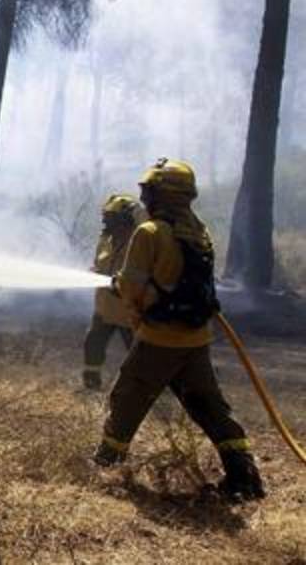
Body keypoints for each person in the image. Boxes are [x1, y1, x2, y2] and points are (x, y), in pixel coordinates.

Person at [93, 158, 265, 501]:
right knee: (211, 408)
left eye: (149, 191)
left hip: (159, 339)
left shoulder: (150, 232)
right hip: (195, 339)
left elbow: (132, 288)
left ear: (161, 195)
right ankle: (245, 478)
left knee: (127, 398)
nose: (145, 198)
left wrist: (119, 285)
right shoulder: (199, 231)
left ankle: (105, 465)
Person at [82, 194, 140, 391]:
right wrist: (93, 272)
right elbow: (99, 264)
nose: (106, 222)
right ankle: (91, 383)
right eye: (106, 217)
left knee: (138, 354)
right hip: (105, 306)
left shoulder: (140, 241)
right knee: (92, 344)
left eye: (111, 218)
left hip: (129, 310)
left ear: (126, 220)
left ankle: (140, 389)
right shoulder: (105, 239)